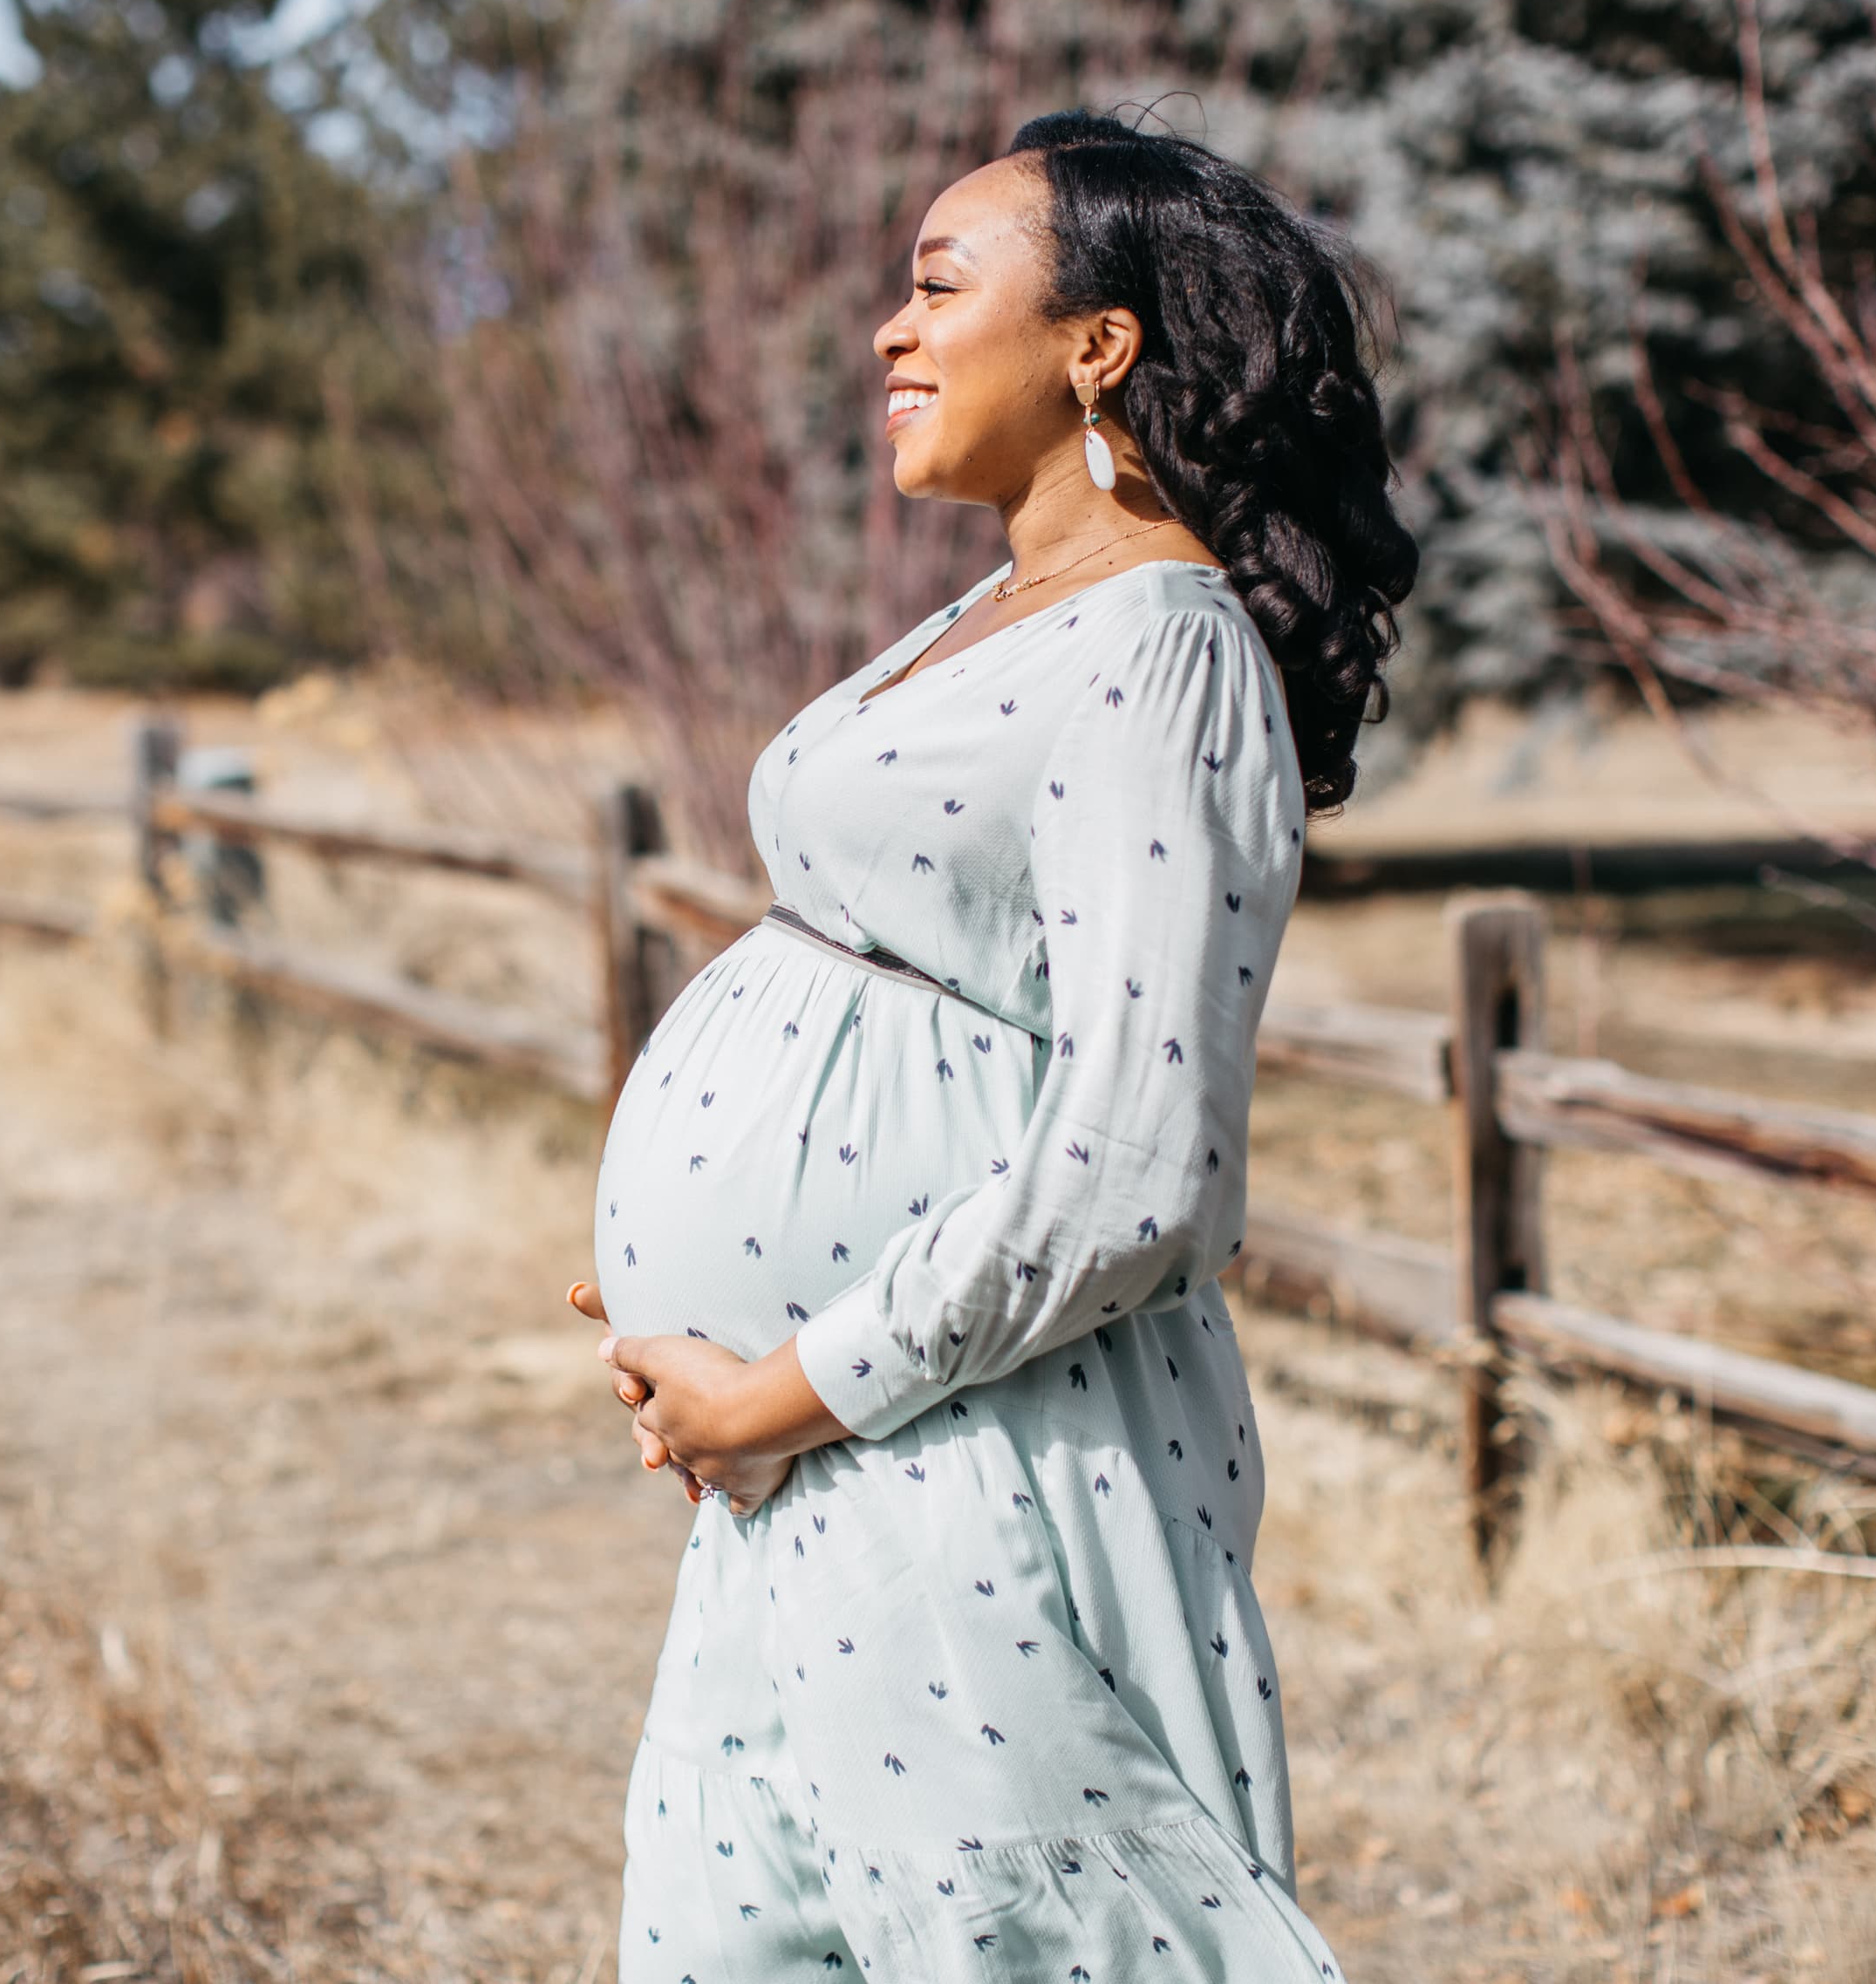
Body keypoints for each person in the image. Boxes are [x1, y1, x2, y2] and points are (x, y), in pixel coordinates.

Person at [565, 108, 1418, 1981]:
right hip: (827, 1451)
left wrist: (781, 1381)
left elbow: (1142, 1167)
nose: (889, 326)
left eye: (942, 283)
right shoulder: (997, 612)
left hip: (964, 1453)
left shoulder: (1164, 647)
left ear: (1097, 344)